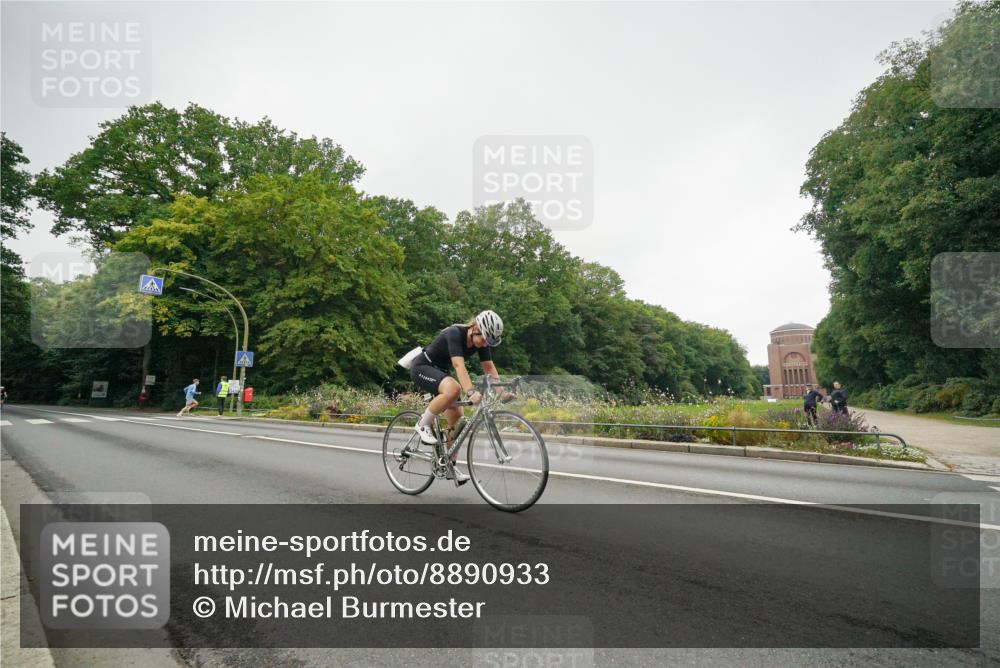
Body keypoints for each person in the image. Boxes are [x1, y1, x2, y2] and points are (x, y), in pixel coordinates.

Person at [410, 310, 511, 485]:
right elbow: (458, 364)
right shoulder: (454, 333)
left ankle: (449, 465)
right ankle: (422, 425)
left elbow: (489, 367)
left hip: (441, 372)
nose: (485, 344)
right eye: (484, 339)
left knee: (458, 422)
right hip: (423, 367)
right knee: (454, 388)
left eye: (489, 341)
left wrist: (502, 392)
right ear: (475, 328)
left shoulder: (482, 340)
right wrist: (470, 392)